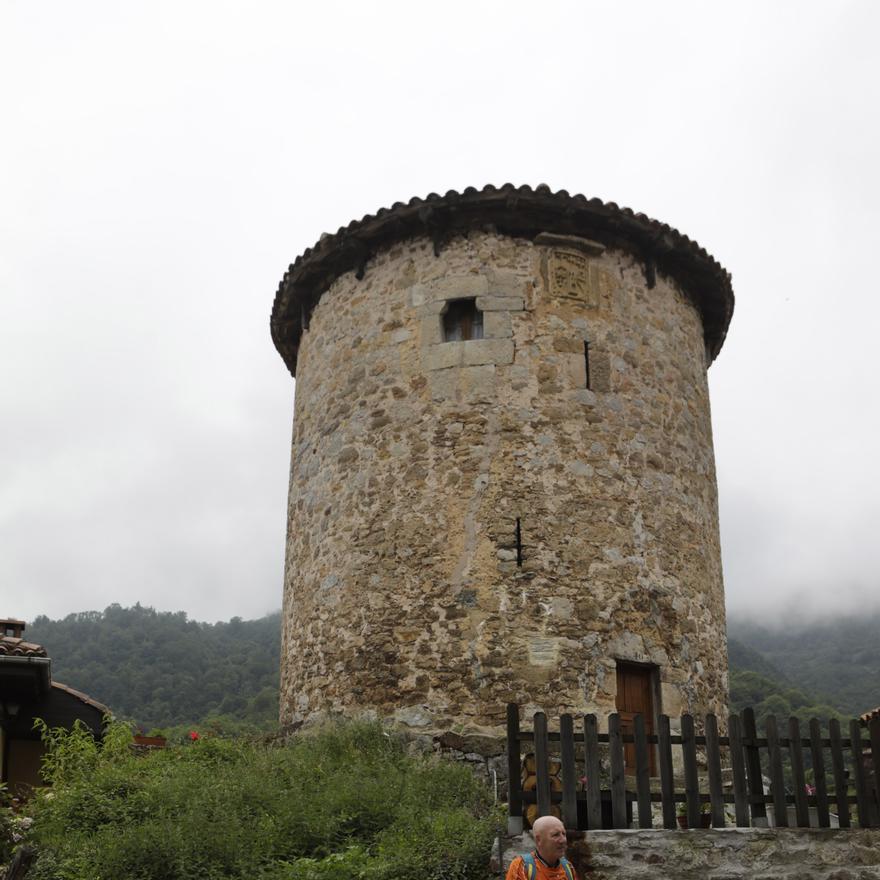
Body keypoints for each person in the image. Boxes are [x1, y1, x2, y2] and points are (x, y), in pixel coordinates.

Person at [505, 815, 576, 880]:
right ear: (538, 840)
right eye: (555, 835)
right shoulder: (522, 867)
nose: (563, 840)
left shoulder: (568, 868)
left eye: (564, 834)